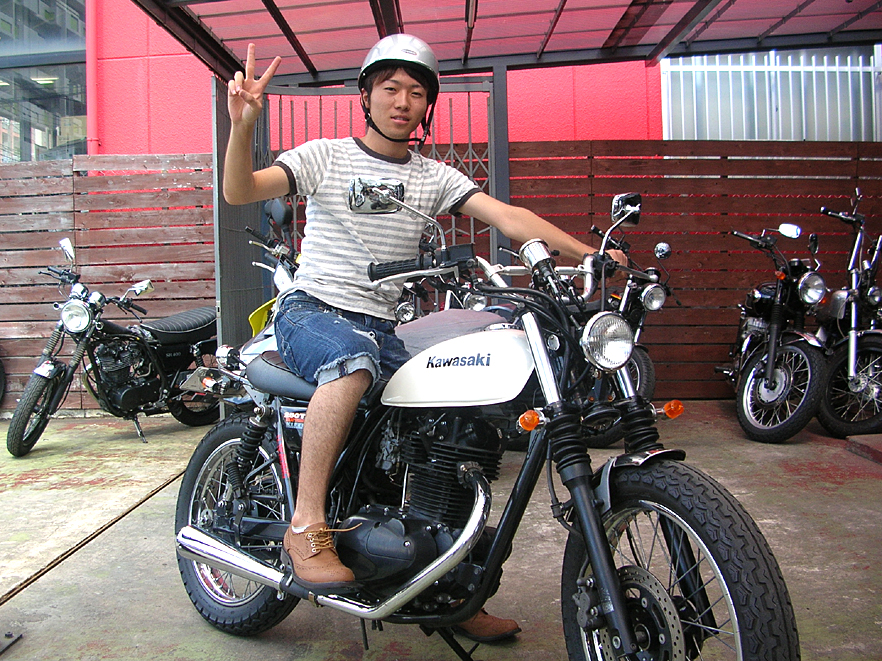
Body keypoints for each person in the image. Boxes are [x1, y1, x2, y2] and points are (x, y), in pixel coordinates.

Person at [223, 34, 626, 643]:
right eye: (390, 88)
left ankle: (452, 584)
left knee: (458, 417)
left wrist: (588, 253)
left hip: (381, 325)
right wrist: (242, 127)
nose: (402, 101)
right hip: (313, 310)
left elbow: (508, 217)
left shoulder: (432, 177)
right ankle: (306, 526)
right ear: (366, 96)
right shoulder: (324, 156)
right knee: (353, 363)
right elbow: (240, 191)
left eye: (416, 92)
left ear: (426, 106)